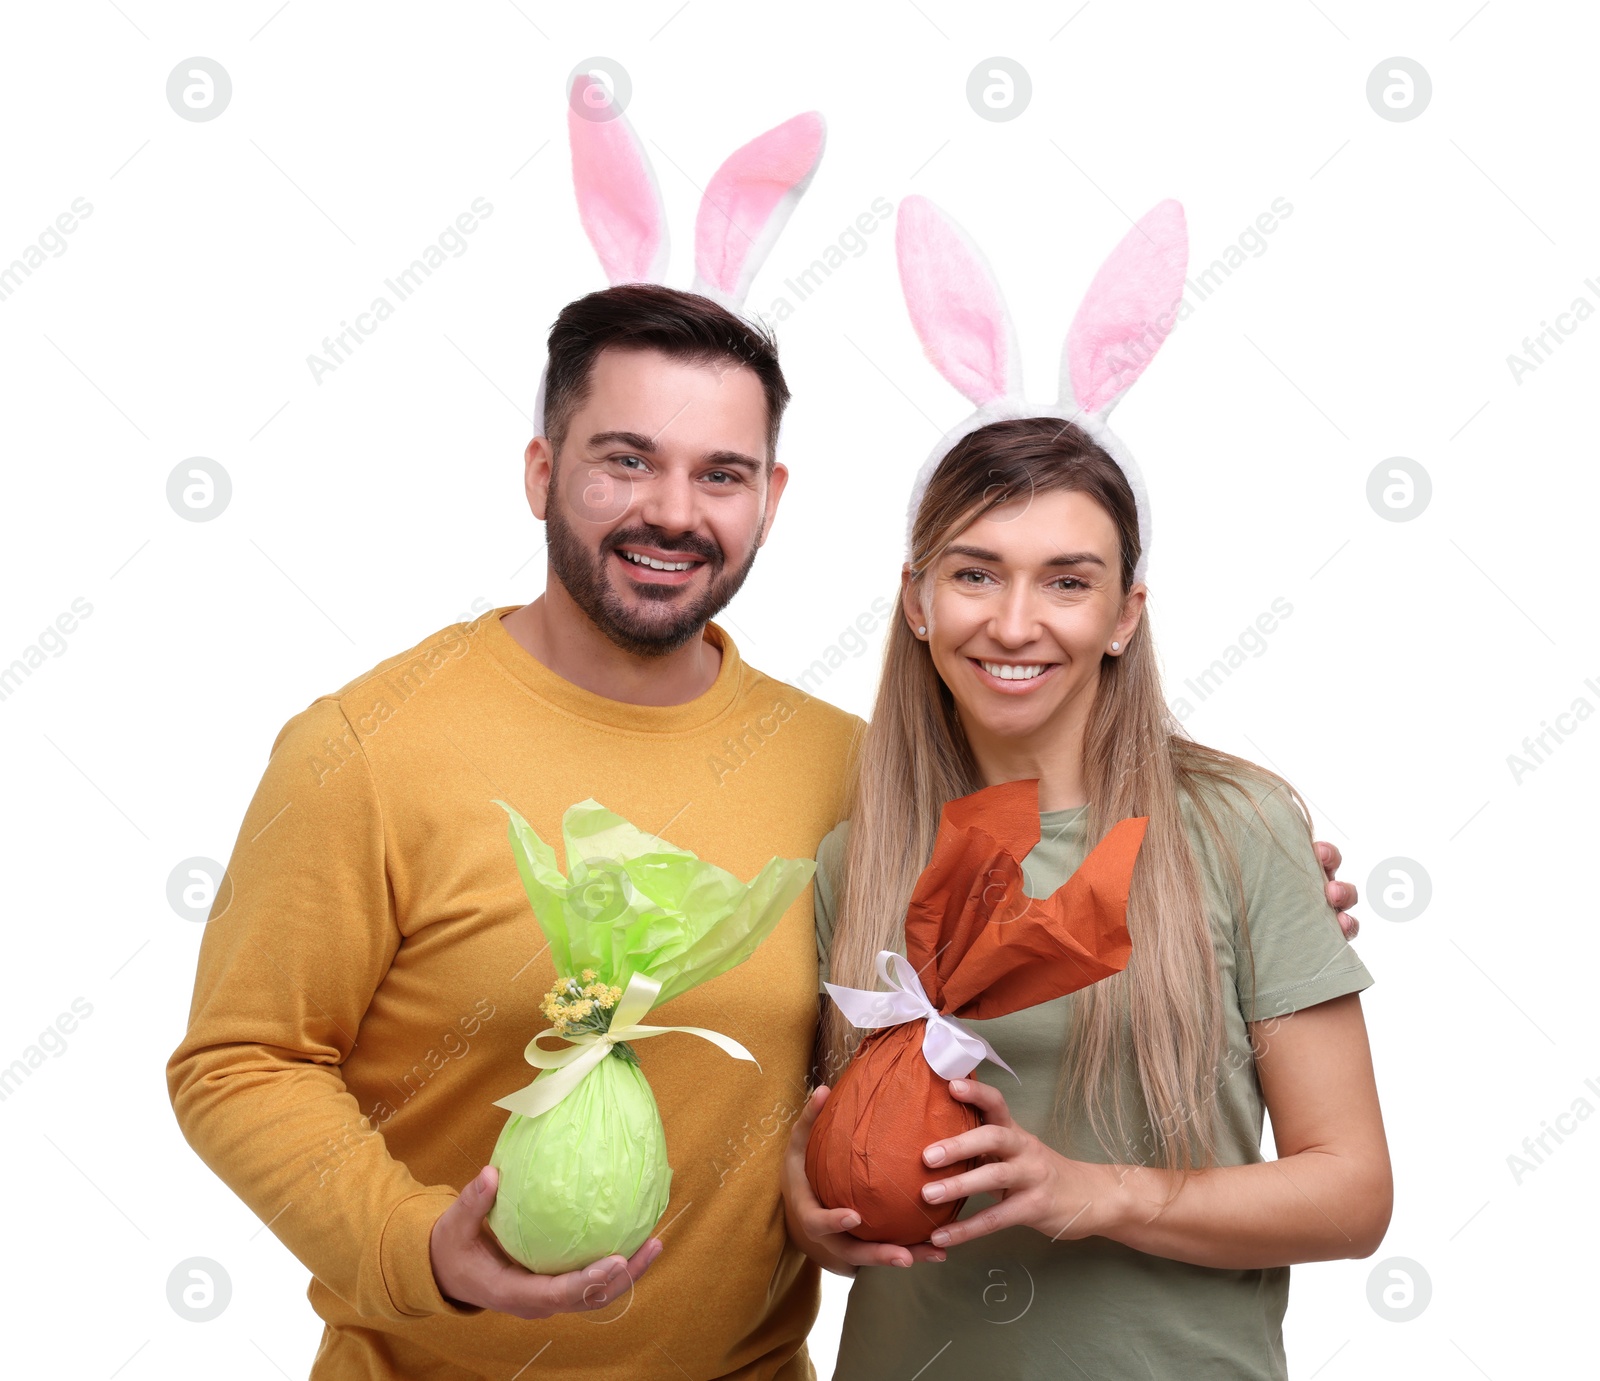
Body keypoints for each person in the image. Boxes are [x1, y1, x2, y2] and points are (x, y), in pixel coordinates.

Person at [780, 415, 1392, 1379]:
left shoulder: (1239, 829)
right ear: (917, 601)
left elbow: (1353, 1195)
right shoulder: (858, 859)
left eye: (1067, 581)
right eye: (975, 573)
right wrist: (811, 1210)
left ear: (1124, 615)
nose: (1015, 623)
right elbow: (834, 1146)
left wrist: (1094, 1193)